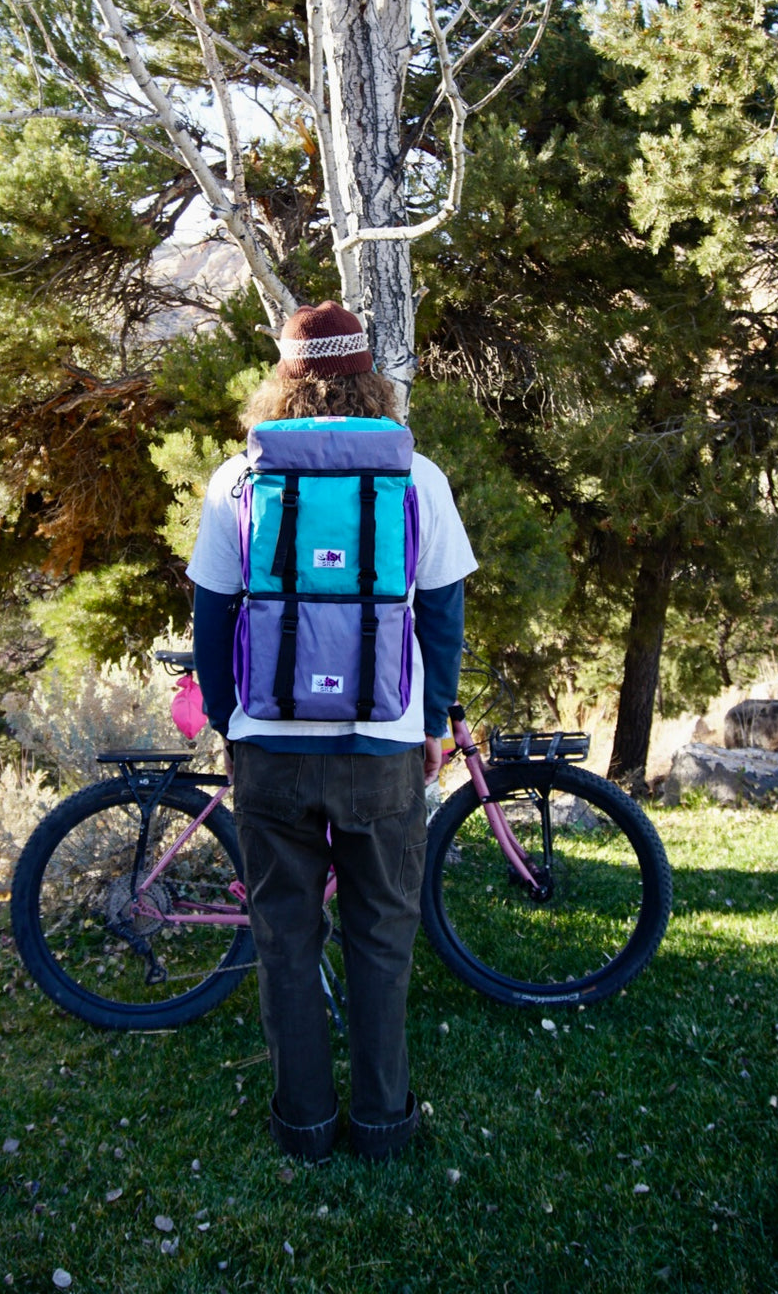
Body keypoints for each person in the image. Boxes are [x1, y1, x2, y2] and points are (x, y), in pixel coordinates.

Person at [187, 300, 476, 1162]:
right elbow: (443, 616)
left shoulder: (238, 479)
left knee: (284, 940)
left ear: (283, 378)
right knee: (382, 939)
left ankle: (305, 1126)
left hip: (269, 746)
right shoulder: (415, 475)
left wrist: (227, 723)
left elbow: (212, 617)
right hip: (382, 747)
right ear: (366, 376)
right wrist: (431, 721)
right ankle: (383, 1125)